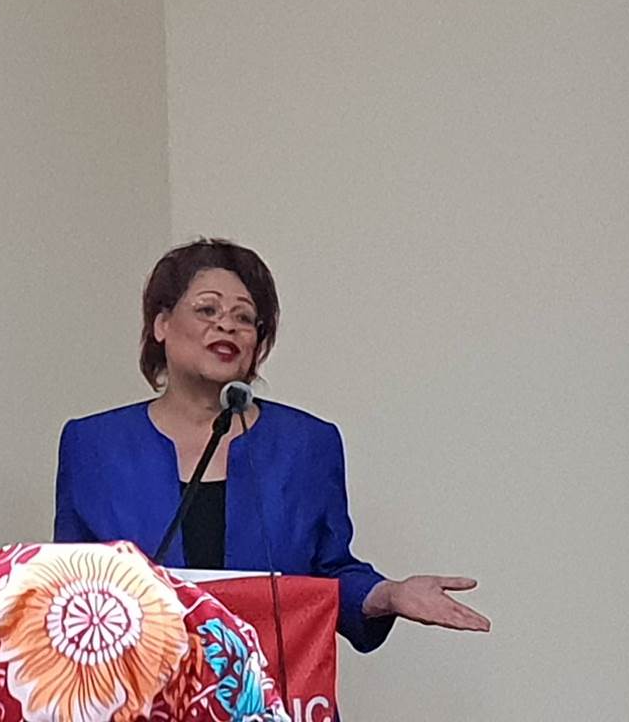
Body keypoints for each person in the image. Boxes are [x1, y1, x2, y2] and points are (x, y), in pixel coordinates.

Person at [53, 238, 490, 654]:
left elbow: (328, 573)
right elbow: (69, 589)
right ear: (161, 324)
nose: (227, 325)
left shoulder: (307, 445)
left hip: (268, 688)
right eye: (207, 309)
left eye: (244, 317)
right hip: (136, 688)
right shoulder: (93, 446)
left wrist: (387, 595)